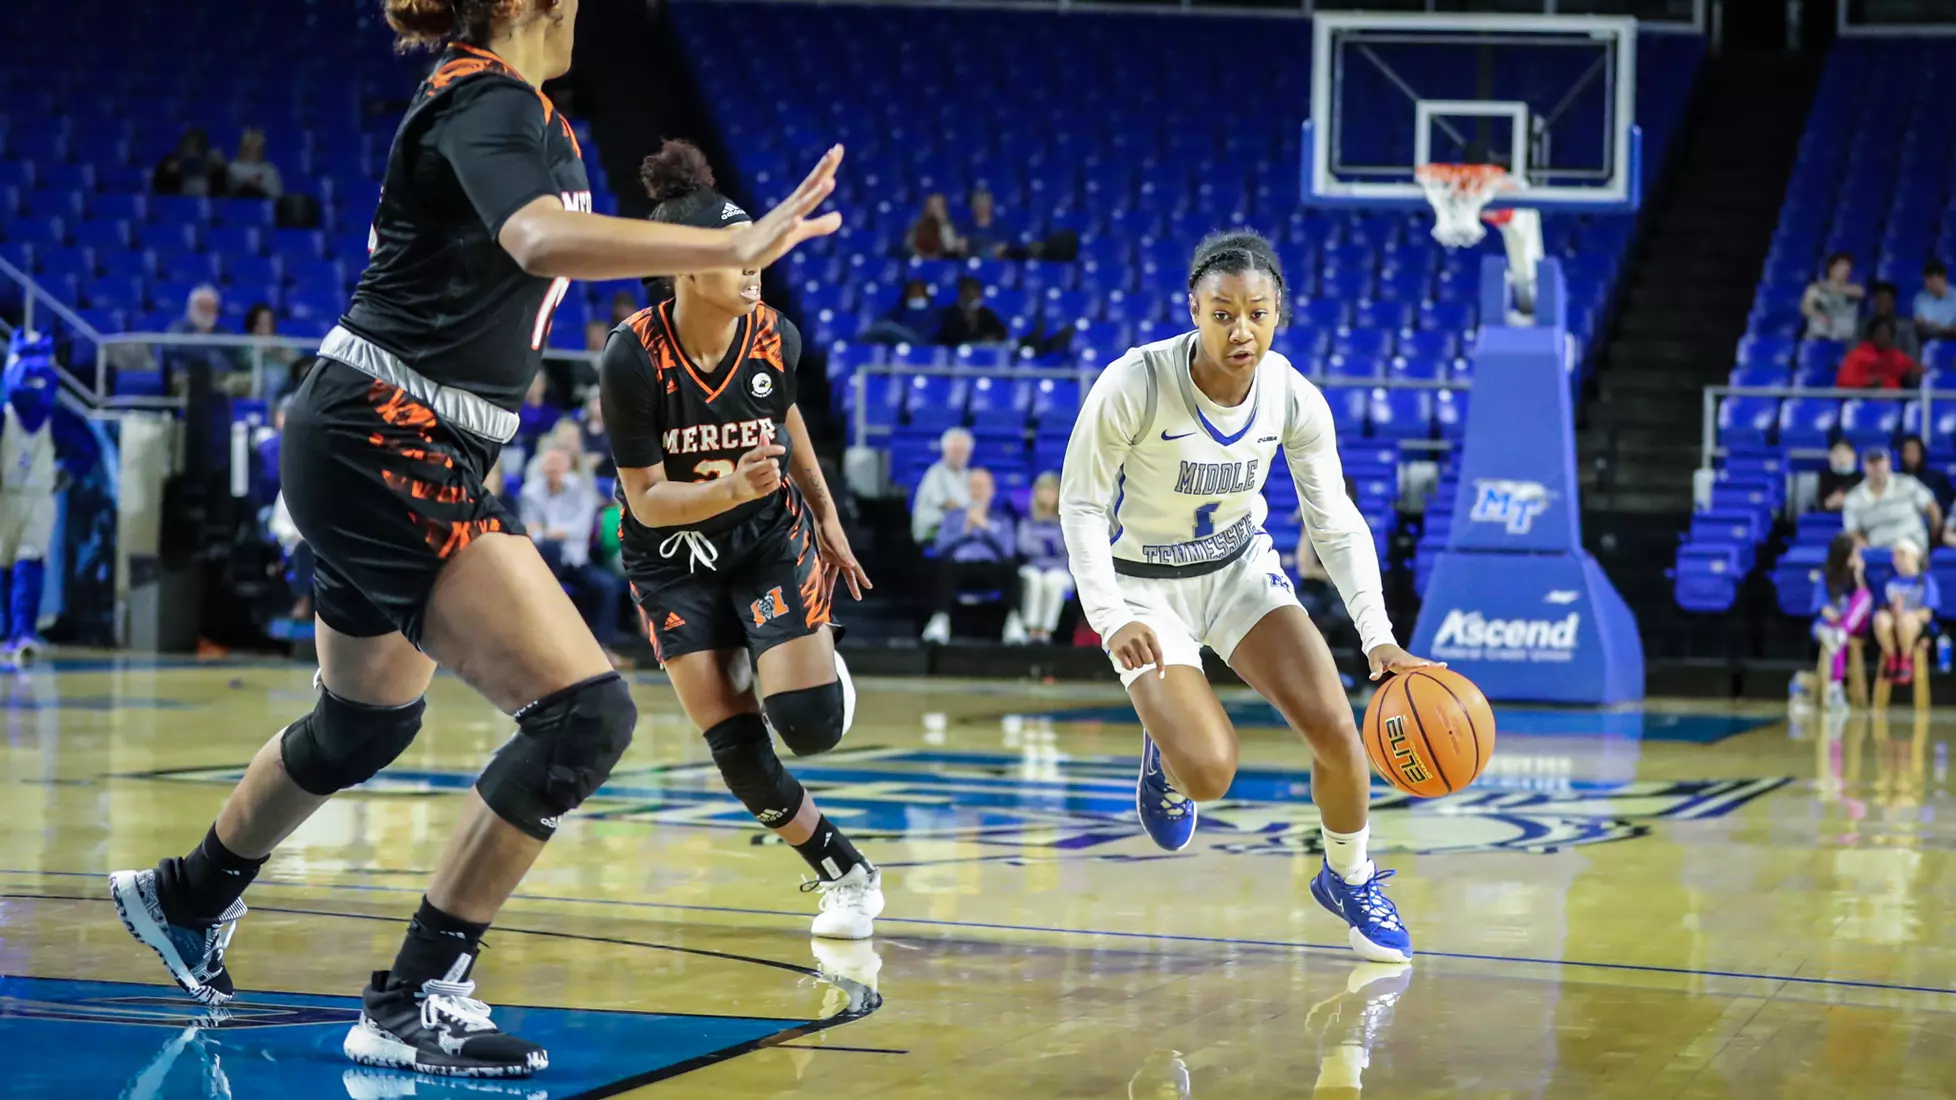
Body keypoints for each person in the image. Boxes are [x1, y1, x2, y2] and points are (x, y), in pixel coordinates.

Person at [106, 0, 846, 1079]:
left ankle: (187, 893)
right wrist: (728, 240)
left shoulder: (522, 110)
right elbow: (537, 239)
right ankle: (414, 995)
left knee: (362, 721)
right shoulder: (485, 94)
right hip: (388, 433)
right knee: (584, 714)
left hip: (381, 433)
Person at [1058, 230, 1436, 964]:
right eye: (1224, 313)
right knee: (1211, 773)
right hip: (1144, 590)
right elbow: (1079, 507)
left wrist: (1378, 636)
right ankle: (1169, 752)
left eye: (1258, 314)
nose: (1242, 330)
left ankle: (1349, 878)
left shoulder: (1291, 394)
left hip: (1237, 571)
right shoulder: (1133, 383)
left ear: (1278, 314)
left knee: (1335, 726)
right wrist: (1110, 618)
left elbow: (1335, 522)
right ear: (1194, 310)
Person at [599, 140, 881, 938]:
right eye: (737, 254)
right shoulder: (631, 358)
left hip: (764, 538)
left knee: (810, 727)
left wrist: (826, 518)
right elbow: (647, 502)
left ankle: (792, 655)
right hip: (672, 558)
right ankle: (847, 873)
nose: (755, 266)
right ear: (687, 269)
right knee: (734, 746)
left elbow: (787, 420)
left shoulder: (774, 335)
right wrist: (727, 486)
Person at [519, 445, 623, 660]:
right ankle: (539, 645)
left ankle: (602, 648)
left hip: (576, 562)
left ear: (567, 466)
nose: (553, 468)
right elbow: (528, 531)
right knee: (549, 549)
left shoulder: (581, 490)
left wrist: (547, 531)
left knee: (607, 586)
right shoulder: (531, 492)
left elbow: (582, 530)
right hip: (543, 561)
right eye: (549, 463)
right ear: (541, 466)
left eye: (558, 463)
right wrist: (554, 533)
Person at [927, 467, 1020, 642]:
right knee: (942, 567)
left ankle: (1013, 622)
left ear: (992, 491)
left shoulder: (1002, 519)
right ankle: (940, 620)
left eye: (982, 486)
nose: (978, 491)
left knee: (1012, 568)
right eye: (974, 486)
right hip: (960, 568)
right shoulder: (953, 517)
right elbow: (940, 547)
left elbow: (1008, 550)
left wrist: (985, 527)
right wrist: (965, 531)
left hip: (992, 569)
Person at [1810, 533, 1870, 711]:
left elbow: (1864, 604)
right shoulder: (1825, 577)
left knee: (1864, 596)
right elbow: (1823, 608)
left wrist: (1859, 574)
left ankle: (1841, 634)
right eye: (1854, 554)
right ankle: (1835, 689)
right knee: (1833, 636)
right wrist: (1835, 617)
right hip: (1830, 625)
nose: (1857, 557)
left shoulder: (1857, 576)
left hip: (1852, 624)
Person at [1843, 445, 1940, 551]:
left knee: (1903, 552)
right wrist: (1866, 549)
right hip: (1877, 547)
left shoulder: (1907, 484)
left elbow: (1933, 509)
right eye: (1871, 462)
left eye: (1880, 462)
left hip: (1911, 542)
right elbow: (1852, 532)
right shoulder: (1853, 497)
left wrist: (1933, 540)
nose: (1876, 466)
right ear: (1863, 466)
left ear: (1889, 463)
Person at [1016, 472, 1072, 644]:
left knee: (1053, 581)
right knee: (1033, 579)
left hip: (1060, 570)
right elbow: (1023, 546)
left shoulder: (1067, 522)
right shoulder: (1027, 521)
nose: (1047, 495)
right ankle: (1031, 629)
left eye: (1051, 491)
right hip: (1032, 566)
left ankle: (1045, 632)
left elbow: (1067, 549)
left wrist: (1044, 546)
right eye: (1044, 490)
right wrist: (1048, 546)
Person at [1874, 538, 1938, 685]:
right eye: (1896, 556)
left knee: (1906, 620)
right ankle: (1892, 658)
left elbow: (1927, 613)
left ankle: (1905, 659)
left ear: (1915, 556)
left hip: (1917, 626)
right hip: (1894, 623)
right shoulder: (1890, 582)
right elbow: (1884, 608)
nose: (1899, 560)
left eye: (1903, 555)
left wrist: (1905, 614)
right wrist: (1893, 612)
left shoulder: (1926, 580)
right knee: (1881, 618)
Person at [910, 426, 974, 547]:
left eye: (962, 451)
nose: (958, 455)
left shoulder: (967, 475)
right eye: (954, 450)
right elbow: (949, 504)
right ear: (945, 452)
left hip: (959, 528)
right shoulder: (935, 473)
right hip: (933, 531)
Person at [1835, 317, 1922, 390]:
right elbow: (1843, 383)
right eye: (1882, 334)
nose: (1885, 338)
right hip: (1863, 401)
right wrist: (1867, 382)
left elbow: (1917, 369)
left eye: (1888, 335)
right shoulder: (1856, 355)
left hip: (1891, 404)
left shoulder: (1895, 355)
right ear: (1873, 335)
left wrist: (1912, 373)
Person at [1802, 252, 1863, 341]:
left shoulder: (1854, 289)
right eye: (1840, 267)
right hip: (1819, 333)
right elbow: (1807, 307)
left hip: (1844, 336)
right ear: (1831, 268)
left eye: (1847, 268)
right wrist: (1818, 315)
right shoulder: (1815, 288)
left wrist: (1835, 288)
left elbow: (1860, 293)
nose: (1844, 271)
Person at [1863, 282, 1921, 361]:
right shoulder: (1864, 324)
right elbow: (1853, 350)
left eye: (1884, 299)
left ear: (1892, 303)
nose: (1879, 303)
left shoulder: (1905, 326)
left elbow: (1913, 354)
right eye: (1877, 299)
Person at [1898, 435, 1952, 515]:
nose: (1913, 455)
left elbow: (1948, 506)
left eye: (1916, 451)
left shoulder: (1937, 478)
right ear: (1902, 455)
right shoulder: (1896, 480)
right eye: (1909, 451)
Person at [1914, 260, 1956, 341]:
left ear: (1942, 278)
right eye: (1926, 280)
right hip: (1930, 338)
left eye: (1931, 279)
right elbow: (1920, 322)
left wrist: (1944, 328)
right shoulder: (1920, 298)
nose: (1927, 284)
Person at [1817, 439, 1862, 513]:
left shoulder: (1861, 478)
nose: (1840, 455)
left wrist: (1847, 501)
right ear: (1830, 456)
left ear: (1852, 455)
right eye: (1836, 452)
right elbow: (1816, 503)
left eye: (1844, 452)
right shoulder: (1821, 477)